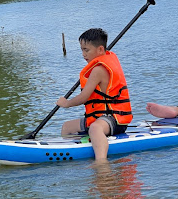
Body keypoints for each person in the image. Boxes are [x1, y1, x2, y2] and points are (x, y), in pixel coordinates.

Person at [57, 28, 133, 161]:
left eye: (86, 50)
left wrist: (66, 103)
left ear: (100, 50)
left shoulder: (99, 70)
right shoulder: (98, 65)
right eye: (82, 50)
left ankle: (101, 163)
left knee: (95, 128)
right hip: (99, 117)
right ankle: (79, 150)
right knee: (67, 127)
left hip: (114, 119)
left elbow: (84, 97)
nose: (83, 54)